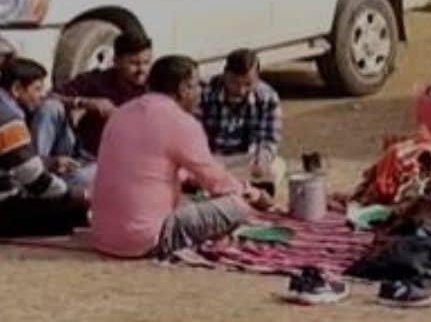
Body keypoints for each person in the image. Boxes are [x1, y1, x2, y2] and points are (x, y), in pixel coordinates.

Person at [90, 55, 273, 259]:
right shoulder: (181, 122)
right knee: (237, 206)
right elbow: (218, 184)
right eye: (196, 86)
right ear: (183, 88)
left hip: (102, 236)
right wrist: (254, 195)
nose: (199, 93)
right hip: (148, 240)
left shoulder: (121, 112)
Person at [0, 58, 89, 239]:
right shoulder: (7, 120)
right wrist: (75, 195)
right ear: (17, 89)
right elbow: (37, 183)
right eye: (37, 89)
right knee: (72, 209)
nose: (42, 96)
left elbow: (6, 161)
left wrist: (50, 162)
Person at [30, 32, 153, 186]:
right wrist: (85, 102)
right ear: (116, 62)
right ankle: (35, 169)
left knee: (80, 180)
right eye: (134, 63)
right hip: (78, 148)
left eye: (146, 62)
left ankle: (50, 184)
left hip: (109, 162)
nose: (141, 69)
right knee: (50, 107)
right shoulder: (98, 80)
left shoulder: (153, 89)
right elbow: (48, 97)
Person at [202, 49, 286, 191]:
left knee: (275, 167)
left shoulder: (268, 97)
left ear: (257, 78)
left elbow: (269, 139)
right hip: (211, 159)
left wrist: (262, 160)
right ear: (225, 75)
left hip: (245, 159)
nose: (241, 90)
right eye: (234, 83)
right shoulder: (205, 93)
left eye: (248, 84)